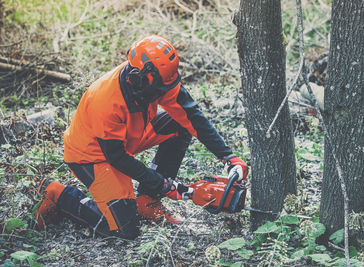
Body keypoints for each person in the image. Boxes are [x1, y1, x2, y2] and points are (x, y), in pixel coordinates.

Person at [35, 35, 248, 240]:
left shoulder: (156, 80)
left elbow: (190, 115)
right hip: (93, 155)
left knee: (179, 124)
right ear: (138, 78)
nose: (163, 93)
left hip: (127, 138)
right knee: (124, 229)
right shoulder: (106, 101)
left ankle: (147, 200)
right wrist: (163, 184)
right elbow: (117, 157)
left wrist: (228, 157)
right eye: (159, 89)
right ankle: (57, 194)